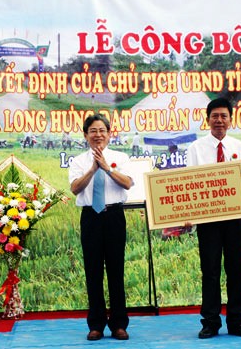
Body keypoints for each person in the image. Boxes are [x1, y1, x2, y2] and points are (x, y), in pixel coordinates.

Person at [185, 97, 241, 339]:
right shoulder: (195, 148)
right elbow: (189, 183)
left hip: (236, 217)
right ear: (208, 119)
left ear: (230, 119)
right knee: (210, 270)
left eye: (224, 116)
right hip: (208, 220)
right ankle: (210, 322)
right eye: (215, 116)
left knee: (237, 269)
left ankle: (237, 321)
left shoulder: (239, 146)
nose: (219, 120)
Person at [68, 114, 133, 341]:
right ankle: (96, 324)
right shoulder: (78, 161)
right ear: (85, 135)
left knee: (116, 271)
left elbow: (127, 183)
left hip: (114, 215)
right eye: (93, 131)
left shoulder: (120, 157)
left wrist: (106, 167)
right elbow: (75, 189)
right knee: (93, 271)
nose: (98, 135)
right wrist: (93, 169)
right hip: (91, 218)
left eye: (102, 131)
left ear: (109, 134)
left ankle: (119, 325)